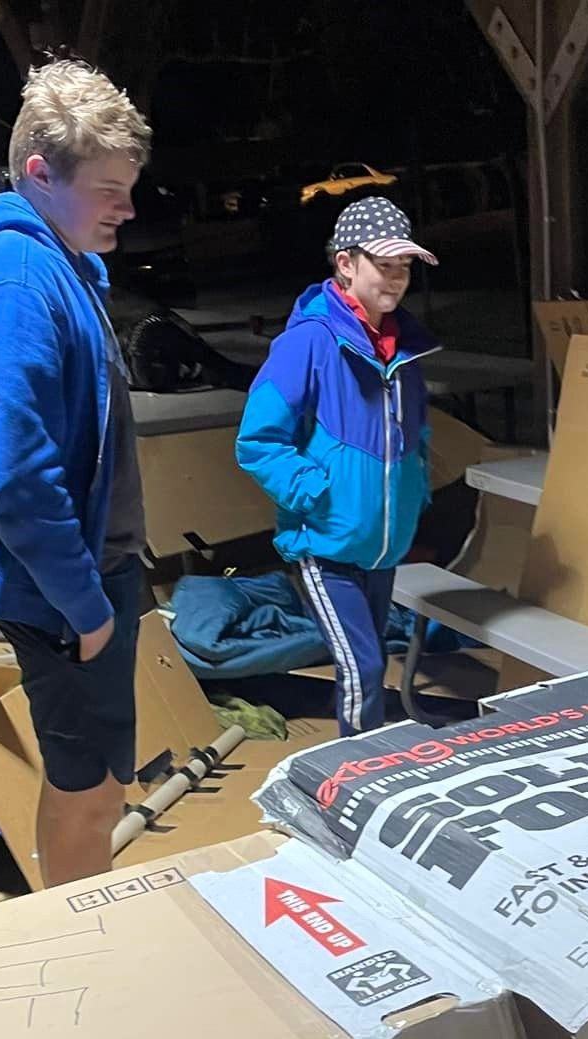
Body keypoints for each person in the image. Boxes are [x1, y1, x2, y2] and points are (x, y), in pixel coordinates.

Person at [0, 60, 152, 885]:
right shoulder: (20, 282)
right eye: (108, 189)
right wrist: (86, 608)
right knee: (90, 792)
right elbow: (20, 480)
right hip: (64, 590)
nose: (126, 208)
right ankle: (74, 954)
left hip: (81, 578)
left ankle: (70, 922)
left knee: (88, 784)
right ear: (39, 174)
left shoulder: (53, 264)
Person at [235, 196, 439, 736]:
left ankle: (368, 769)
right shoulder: (309, 342)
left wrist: (415, 488)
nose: (396, 280)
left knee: (371, 664)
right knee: (362, 669)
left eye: (405, 267)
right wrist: (315, 494)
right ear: (345, 264)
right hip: (326, 546)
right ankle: (354, 780)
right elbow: (258, 441)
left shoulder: (405, 347)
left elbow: (415, 434)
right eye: (383, 265)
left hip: (380, 547)